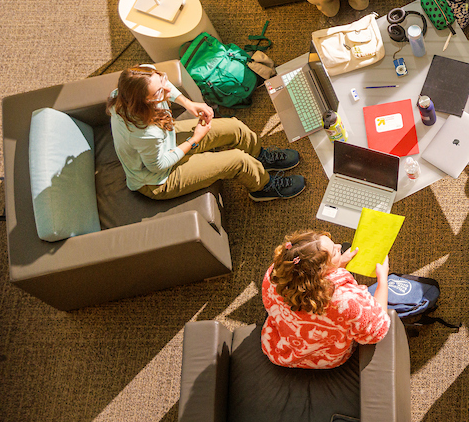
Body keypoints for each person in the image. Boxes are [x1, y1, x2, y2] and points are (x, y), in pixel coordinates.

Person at [107, 64, 306, 201]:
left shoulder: (126, 90)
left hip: (166, 140)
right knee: (237, 160)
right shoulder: (143, 132)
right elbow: (158, 165)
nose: (167, 92)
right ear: (144, 103)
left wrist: (188, 103)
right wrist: (195, 139)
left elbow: (164, 85)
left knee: (235, 127)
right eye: (159, 93)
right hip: (158, 179)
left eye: (162, 81)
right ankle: (263, 187)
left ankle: (260, 157)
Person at [261, 229, 391, 369]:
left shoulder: (274, 274)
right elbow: (377, 330)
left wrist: (337, 263)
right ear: (321, 271)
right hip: (325, 359)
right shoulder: (346, 301)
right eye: (335, 252)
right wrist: (383, 279)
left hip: (280, 349)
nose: (339, 246)